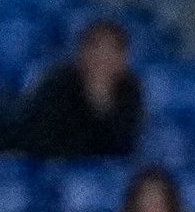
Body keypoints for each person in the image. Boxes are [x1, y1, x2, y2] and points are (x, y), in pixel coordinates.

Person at [15, 15, 147, 160]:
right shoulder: (56, 84)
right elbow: (44, 139)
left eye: (112, 50)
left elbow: (124, 145)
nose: (103, 57)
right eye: (96, 48)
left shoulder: (130, 90)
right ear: (82, 52)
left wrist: (101, 100)